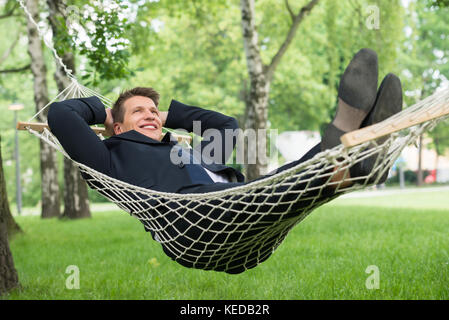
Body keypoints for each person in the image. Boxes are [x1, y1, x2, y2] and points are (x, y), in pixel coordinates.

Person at [48, 49, 403, 273]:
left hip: (242, 223)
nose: (150, 115)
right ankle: (348, 131)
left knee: (273, 181)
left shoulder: (187, 153)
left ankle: (355, 163)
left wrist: (165, 116)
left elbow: (226, 127)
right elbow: (61, 115)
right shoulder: (110, 158)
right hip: (191, 228)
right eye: (139, 111)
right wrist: (103, 111)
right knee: (270, 186)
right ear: (118, 125)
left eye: (154, 110)